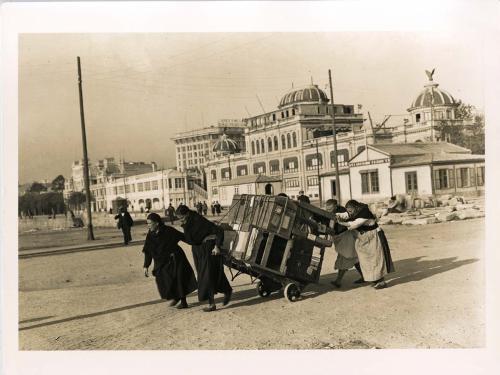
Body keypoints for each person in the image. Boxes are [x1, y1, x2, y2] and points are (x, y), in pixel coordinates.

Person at [176, 204, 232, 312]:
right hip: (197, 251)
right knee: (208, 274)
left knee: (205, 276)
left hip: (208, 249)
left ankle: (212, 304)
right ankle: (227, 290)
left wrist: (217, 246)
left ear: (187, 214)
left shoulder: (198, 220)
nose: (180, 220)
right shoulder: (188, 223)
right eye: (179, 218)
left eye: (181, 218)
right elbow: (191, 239)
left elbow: (219, 230)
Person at [336, 200, 395, 289]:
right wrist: (337, 215)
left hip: (372, 237)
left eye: (350, 210)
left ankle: (381, 282)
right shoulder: (356, 211)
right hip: (364, 238)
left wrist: (340, 222)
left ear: (355, 208)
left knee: (375, 259)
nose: (349, 213)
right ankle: (375, 279)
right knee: (365, 260)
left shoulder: (364, 214)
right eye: (348, 211)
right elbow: (346, 214)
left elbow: (354, 224)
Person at [142, 213, 197, 309]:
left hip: (175, 259)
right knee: (163, 280)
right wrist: (146, 265)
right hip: (161, 261)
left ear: (157, 223)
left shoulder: (169, 231)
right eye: (147, 223)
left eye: (150, 223)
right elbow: (148, 251)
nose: (148, 225)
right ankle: (176, 297)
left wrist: (199, 237)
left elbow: (184, 238)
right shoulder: (150, 235)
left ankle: (183, 302)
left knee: (178, 279)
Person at [323, 199, 364, 288]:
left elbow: (349, 222)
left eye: (330, 209)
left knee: (345, 258)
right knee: (354, 258)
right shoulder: (330, 213)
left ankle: (338, 281)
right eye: (327, 209)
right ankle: (365, 276)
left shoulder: (342, 211)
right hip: (339, 238)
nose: (329, 211)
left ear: (336, 206)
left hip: (345, 236)